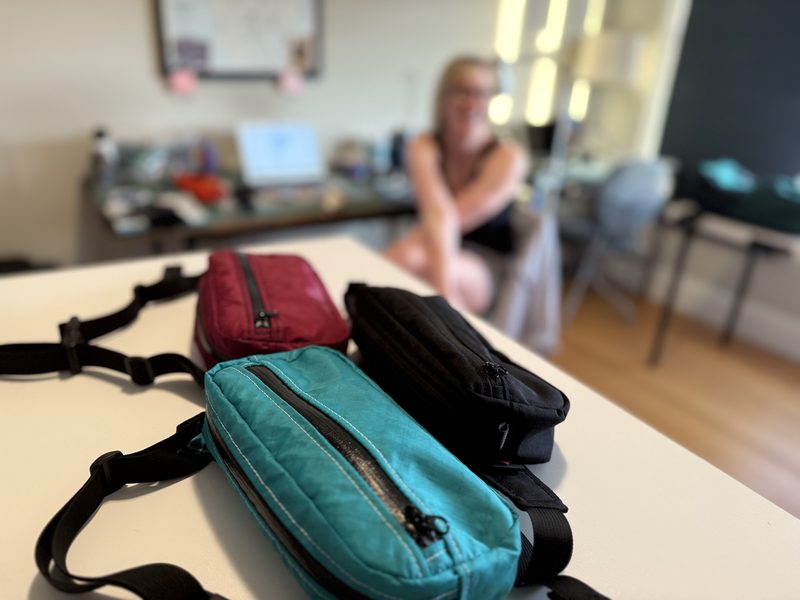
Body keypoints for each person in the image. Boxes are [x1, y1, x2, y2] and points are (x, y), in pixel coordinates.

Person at [384, 56, 528, 314]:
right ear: (444, 96)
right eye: (462, 92)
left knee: (408, 262)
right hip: (431, 243)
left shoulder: (508, 157)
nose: (472, 103)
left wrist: (444, 289)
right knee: (405, 264)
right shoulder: (422, 146)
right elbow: (436, 214)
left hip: (486, 262)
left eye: (482, 94)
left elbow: (450, 219)